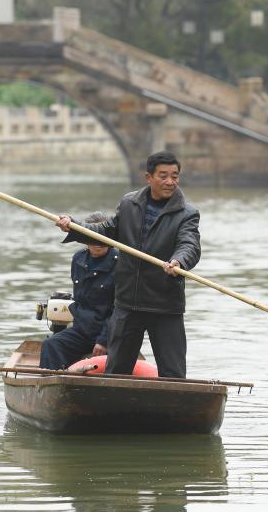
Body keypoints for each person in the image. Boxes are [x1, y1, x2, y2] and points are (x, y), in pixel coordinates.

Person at [56, 151, 200, 378]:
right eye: (163, 176)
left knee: (173, 373)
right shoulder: (129, 203)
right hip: (127, 303)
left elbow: (189, 245)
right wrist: (74, 226)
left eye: (175, 176)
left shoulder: (187, 214)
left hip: (164, 304)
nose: (170, 181)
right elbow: (105, 232)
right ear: (148, 177)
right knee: (117, 370)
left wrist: (178, 260)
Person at [39, 212, 118, 370]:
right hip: (82, 330)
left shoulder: (121, 263)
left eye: (103, 237)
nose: (98, 242)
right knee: (51, 345)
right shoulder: (78, 259)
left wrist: (104, 341)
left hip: (110, 333)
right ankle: (50, 386)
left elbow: (119, 310)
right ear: (84, 238)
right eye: (93, 237)